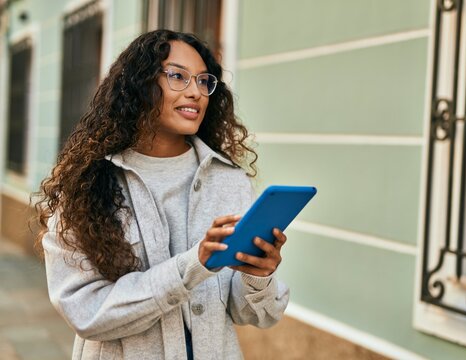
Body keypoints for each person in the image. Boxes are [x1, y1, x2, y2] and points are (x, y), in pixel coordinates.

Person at [35, 30, 290, 360]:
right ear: (140, 85)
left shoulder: (229, 181)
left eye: (203, 81)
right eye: (178, 77)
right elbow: (86, 312)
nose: (195, 92)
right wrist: (192, 266)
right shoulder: (87, 185)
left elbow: (254, 314)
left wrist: (259, 275)